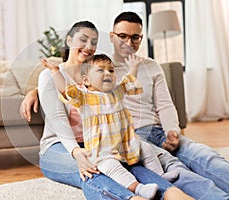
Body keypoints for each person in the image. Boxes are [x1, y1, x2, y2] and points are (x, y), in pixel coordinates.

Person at [23, 20, 194, 200]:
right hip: (59, 146)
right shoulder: (51, 75)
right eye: (83, 39)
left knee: (132, 163)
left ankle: (171, 193)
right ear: (69, 41)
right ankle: (131, 198)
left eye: (94, 42)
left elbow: (124, 87)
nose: (89, 46)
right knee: (93, 169)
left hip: (98, 143)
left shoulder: (100, 77)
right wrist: (76, 152)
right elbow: (58, 119)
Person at [109, 11, 229, 199]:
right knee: (175, 169)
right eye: (122, 36)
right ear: (112, 36)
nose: (129, 43)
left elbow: (164, 104)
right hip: (132, 138)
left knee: (205, 155)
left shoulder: (151, 66)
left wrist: (172, 131)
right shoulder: (102, 69)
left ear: (141, 38)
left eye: (135, 37)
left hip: (158, 130)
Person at [42, 54, 182, 199]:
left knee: (146, 148)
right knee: (112, 168)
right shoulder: (84, 98)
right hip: (102, 152)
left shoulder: (117, 92)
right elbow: (64, 89)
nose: (107, 73)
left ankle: (160, 176)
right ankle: (138, 188)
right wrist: (55, 71)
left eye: (111, 70)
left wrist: (133, 67)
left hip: (125, 145)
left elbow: (129, 81)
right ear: (86, 80)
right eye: (100, 70)